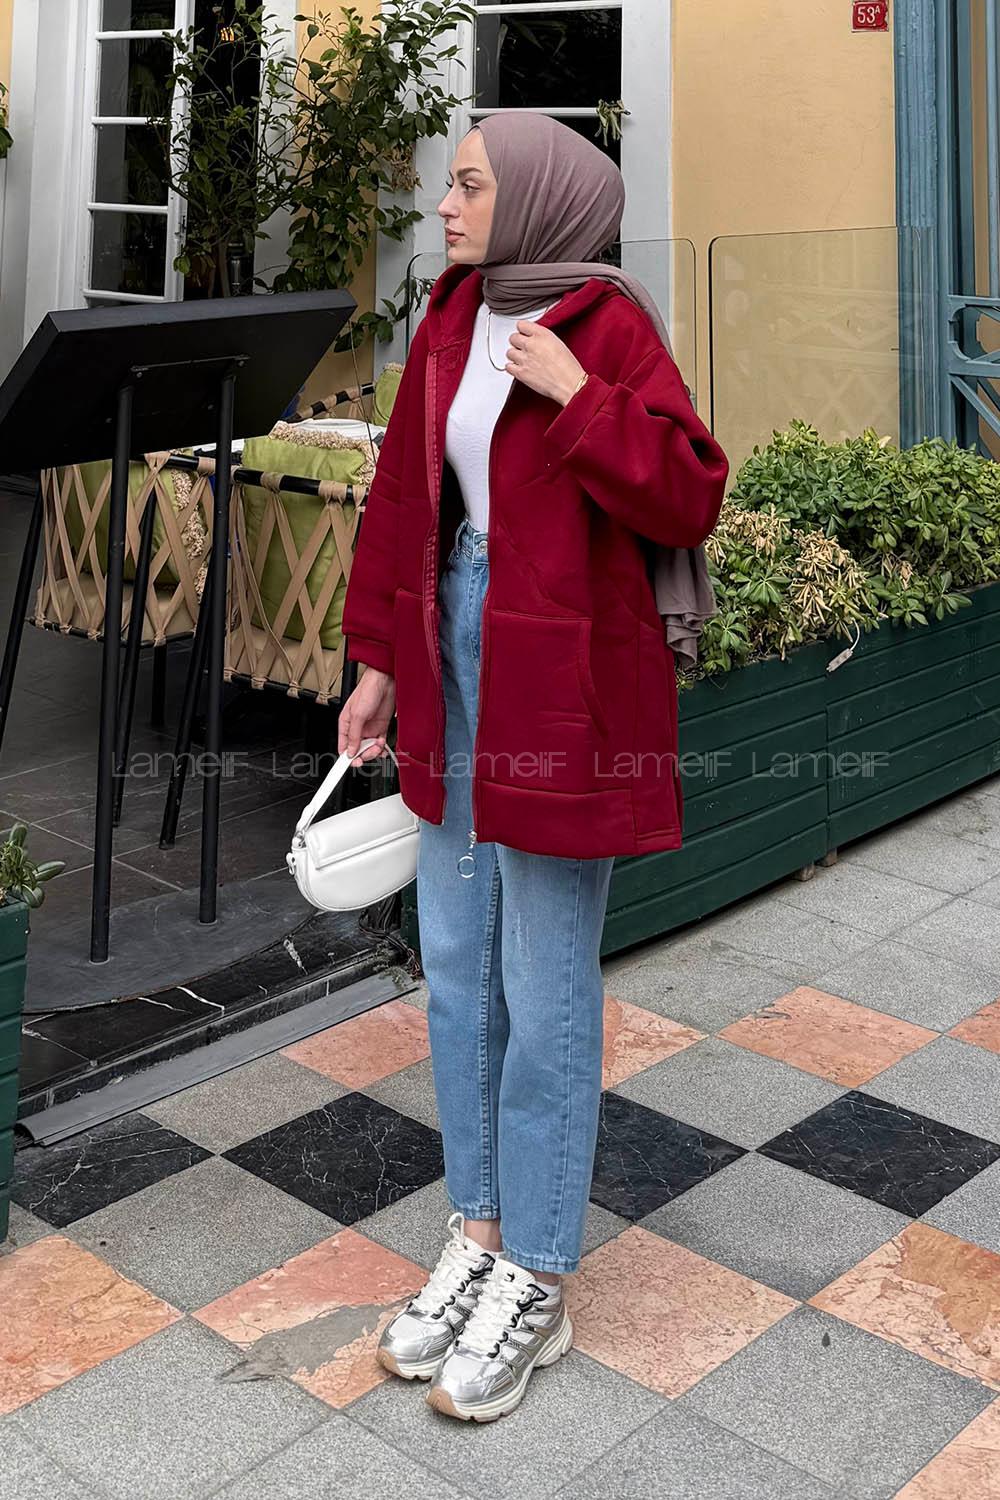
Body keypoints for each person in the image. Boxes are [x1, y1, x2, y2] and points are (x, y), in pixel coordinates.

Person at [338, 112, 729, 1423]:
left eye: (469, 185)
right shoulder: (452, 315)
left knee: (544, 979)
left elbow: (686, 497)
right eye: (450, 185)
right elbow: (406, 494)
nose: (445, 207)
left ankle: (540, 1278)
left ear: (543, 200)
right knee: (454, 968)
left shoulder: (609, 328)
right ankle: (480, 1233)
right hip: (456, 642)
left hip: (565, 668)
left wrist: (574, 391)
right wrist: (379, 664)